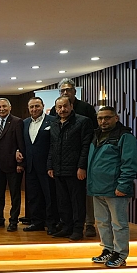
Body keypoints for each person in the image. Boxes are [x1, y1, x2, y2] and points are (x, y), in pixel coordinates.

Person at [87, 107, 137, 268]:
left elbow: (130, 163)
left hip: (116, 188)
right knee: (102, 222)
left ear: (116, 118)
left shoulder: (125, 136)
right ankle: (108, 249)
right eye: (100, 118)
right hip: (97, 187)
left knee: (118, 224)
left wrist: (123, 185)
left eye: (107, 118)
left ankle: (120, 254)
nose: (103, 121)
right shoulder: (96, 135)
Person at [49, 79, 99, 238]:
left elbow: (86, 146)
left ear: (71, 106)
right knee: (63, 200)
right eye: (59, 107)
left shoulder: (83, 121)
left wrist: (82, 167)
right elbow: (52, 146)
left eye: (65, 106)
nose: (62, 109)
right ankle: (67, 227)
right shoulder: (55, 123)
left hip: (75, 169)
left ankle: (78, 229)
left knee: (77, 201)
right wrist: (50, 166)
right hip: (59, 168)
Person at [21, 97, 58, 234]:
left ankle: (52, 224)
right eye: (31, 107)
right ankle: (37, 222)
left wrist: (51, 164)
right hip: (30, 166)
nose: (34, 109)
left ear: (43, 106)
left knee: (50, 196)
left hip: (47, 167)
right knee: (34, 196)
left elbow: (55, 143)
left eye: (37, 106)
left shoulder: (53, 121)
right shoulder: (24, 123)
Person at [0, 98, 25, 232]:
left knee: (14, 195)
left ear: (10, 107)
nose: (2, 109)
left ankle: (13, 221)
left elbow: (21, 143)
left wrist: (20, 163)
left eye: (4, 106)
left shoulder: (17, 122)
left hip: (13, 165)